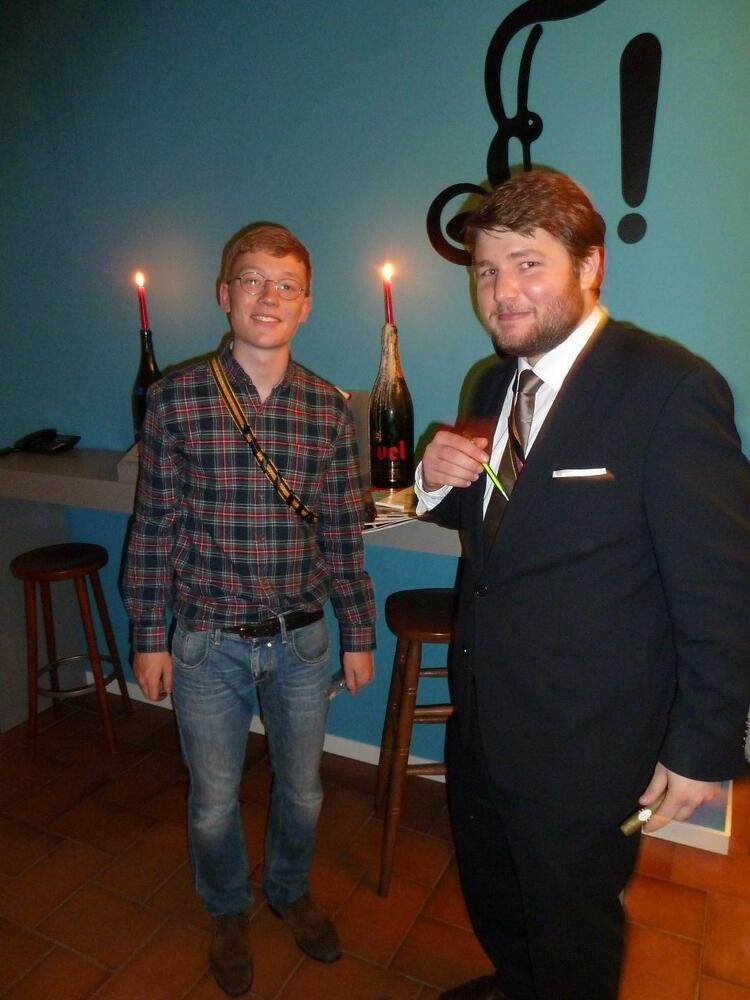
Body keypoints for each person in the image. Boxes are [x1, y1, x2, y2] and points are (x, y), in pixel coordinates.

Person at [416, 170, 750, 1000]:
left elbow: (723, 588)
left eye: (527, 264)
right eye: (486, 272)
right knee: (496, 892)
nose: (502, 292)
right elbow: (495, 529)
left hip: (589, 745)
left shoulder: (669, 389)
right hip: (484, 715)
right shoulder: (491, 384)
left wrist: (705, 749)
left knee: (573, 928)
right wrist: (432, 478)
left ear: (590, 265)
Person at [121, 223, 375, 998]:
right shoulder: (176, 399)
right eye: (253, 280)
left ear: (306, 305)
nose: (269, 297)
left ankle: (289, 891)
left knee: (304, 790)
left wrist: (358, 633)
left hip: (301, 640)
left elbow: (341, 531)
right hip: (207, 641)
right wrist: (148, 635)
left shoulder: (328, 408)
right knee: (212, 800)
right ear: (225, 294)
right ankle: (227, 909)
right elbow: (155, 525)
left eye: (286, 285)